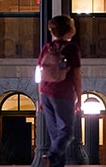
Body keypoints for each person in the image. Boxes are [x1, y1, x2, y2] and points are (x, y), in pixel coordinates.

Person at [37, 15, 82, 167]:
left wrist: (41, 97)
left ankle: (55, 164)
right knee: (67, 132)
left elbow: (40, 72)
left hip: (45, 92)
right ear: (70, 30)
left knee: (55, 135)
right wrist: (79, 96)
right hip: (62, 93)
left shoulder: (47, 48)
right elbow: (76, 74)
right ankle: (51, 157)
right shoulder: (71, 48)